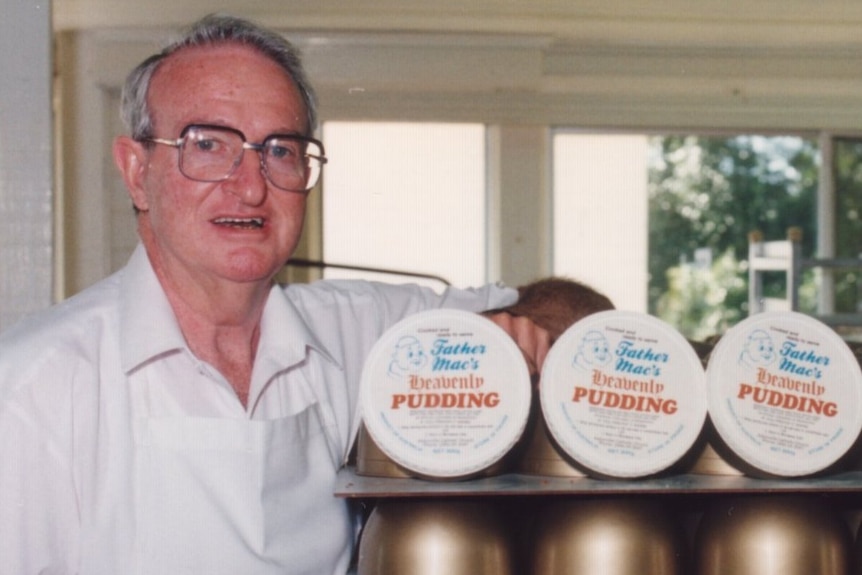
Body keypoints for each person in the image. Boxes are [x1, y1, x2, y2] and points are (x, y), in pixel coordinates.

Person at [0, 13, 549, 575]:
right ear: (137, 172)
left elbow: (565, 307)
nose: (251, 185)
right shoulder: (32, 387)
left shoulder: (356, 335)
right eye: (208, 144)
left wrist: (521, 330)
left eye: (281, 150)